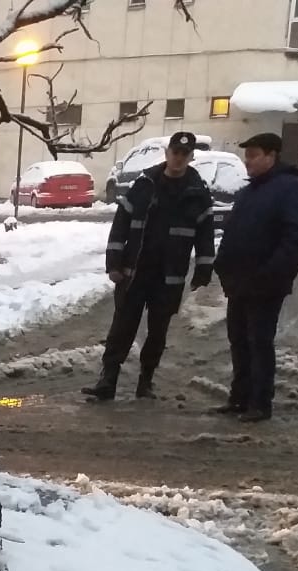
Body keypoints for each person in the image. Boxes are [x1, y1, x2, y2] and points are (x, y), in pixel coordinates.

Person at [82, 131, 216, 403]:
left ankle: (146, 382)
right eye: (174, 153)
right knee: (121, 328)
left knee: (158, 332)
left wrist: (203, 270)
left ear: (190, 158)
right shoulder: (144, 185)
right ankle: (107, 381)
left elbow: (205, 235)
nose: (178, 159)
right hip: (134, 273)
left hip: (169, 277)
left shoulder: (198, 194)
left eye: (184, 155)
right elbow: (120, 225)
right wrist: (114, 264)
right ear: (166, 154)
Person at [212, 132, 298, 424]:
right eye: (247, 155)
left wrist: (272, 274)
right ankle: (239, 397)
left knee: (259, 342)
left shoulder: (290, 188)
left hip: (266, 284)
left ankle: (260, 403)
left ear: (272, 156)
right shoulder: (249, 191)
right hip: (239, 282)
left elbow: (297, 238)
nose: (248, 161)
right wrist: (223, 264)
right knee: (239, 340)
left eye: (254, 155)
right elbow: (233, 233)